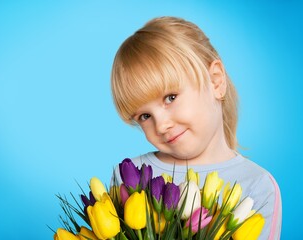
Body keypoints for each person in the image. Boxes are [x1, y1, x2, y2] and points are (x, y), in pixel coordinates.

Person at [110, 16, 281, 239]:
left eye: (170, 97)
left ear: (216, 81)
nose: (161, 125)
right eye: (144, 116)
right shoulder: (130, 175)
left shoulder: (256, 186)